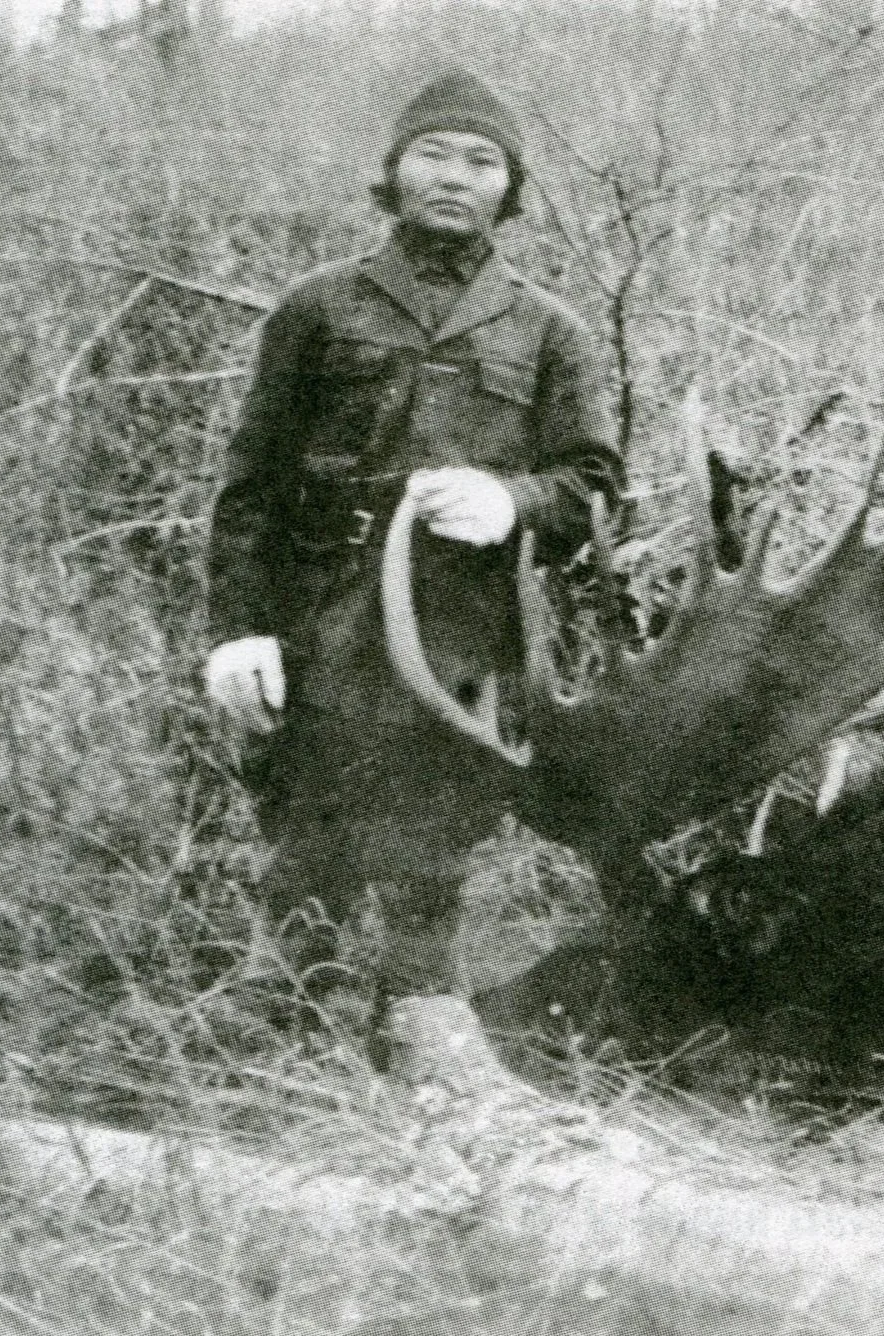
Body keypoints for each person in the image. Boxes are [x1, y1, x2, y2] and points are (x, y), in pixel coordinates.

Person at [201, 70, 621, 1097]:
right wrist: (238, 633)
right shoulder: (319, 308)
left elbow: (595, 489)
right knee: (306, 851)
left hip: (463, 645)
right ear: (393, 173)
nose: (455, 177)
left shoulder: (547, 329)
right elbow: (251, 486)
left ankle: (422, 1070)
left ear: (509, 190)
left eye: (482, 162)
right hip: (320, 629)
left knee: (432, 864)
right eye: (433, 154)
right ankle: (288, 1069)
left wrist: (512, 499)